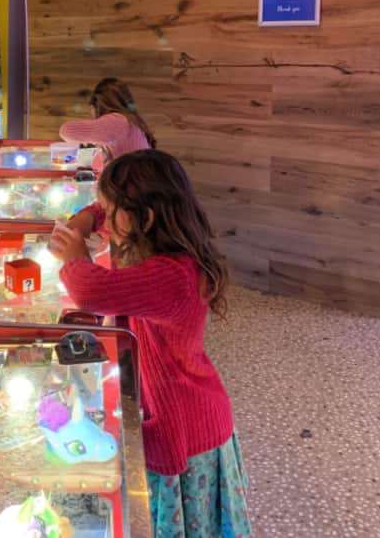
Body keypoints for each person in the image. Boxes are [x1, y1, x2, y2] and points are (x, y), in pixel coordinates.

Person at [49, 149, 251, 537]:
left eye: (113, 209)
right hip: (190, 410)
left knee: (190, 525)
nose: (106, 216)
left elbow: (90, 291)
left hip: (185, 425)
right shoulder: (166, 248)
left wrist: (74, 252)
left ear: (146, 218)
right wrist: (87, 218)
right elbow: (108, 211)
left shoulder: (170, 276)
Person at [58, 77, 156, 172]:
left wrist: (90, 135)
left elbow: (66, 131)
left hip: (131, 186)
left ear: (98, 105)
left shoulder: (117, 122)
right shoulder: (132, 121)